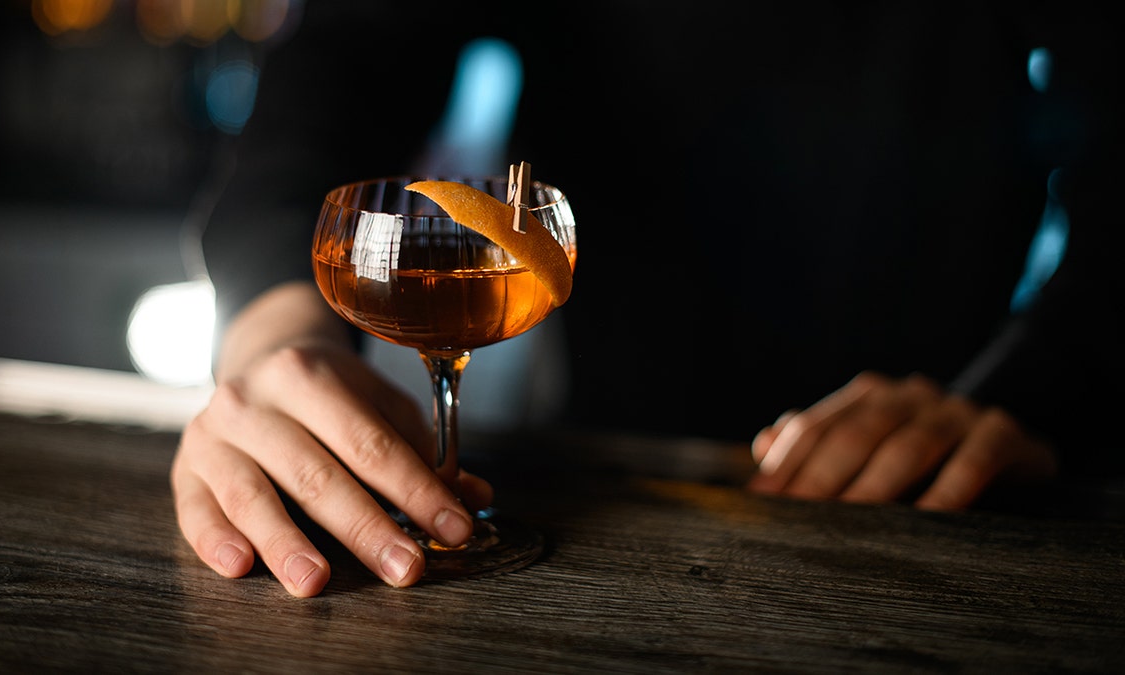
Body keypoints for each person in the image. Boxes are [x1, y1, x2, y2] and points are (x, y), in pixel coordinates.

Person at [171, 1, 1124, 597]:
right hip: (608, 488)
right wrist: (274, 329)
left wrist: (1030, 389)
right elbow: (341, 63)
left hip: (939, 498)